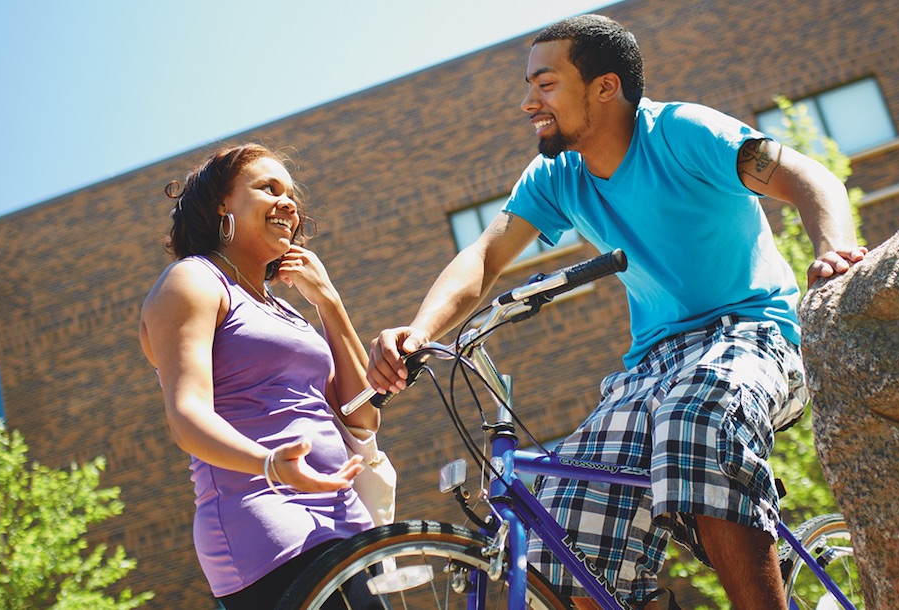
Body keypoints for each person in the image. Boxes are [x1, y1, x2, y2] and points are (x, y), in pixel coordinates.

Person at [367, 14, 866, 610]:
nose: (529, 102)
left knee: (695, 419)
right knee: (559, 521)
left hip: (754, 333)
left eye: (545, 84)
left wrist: (834, 250)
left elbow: (808, 177)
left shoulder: (684, 131)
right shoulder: (555, 175)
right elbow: (483, 256)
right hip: (652, 363)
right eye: (529, 86)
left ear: (605, 87)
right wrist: (420, 332)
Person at [139, 143, 382, 609]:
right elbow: (186, 415)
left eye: (291, 193)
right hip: (268, 524)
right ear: (221, 206)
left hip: (346, 519)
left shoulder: (285, 310)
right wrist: (271, 465)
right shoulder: (193, 281)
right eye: (268, 188)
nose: (288, 203)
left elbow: (361, 419)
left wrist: (329, 303)